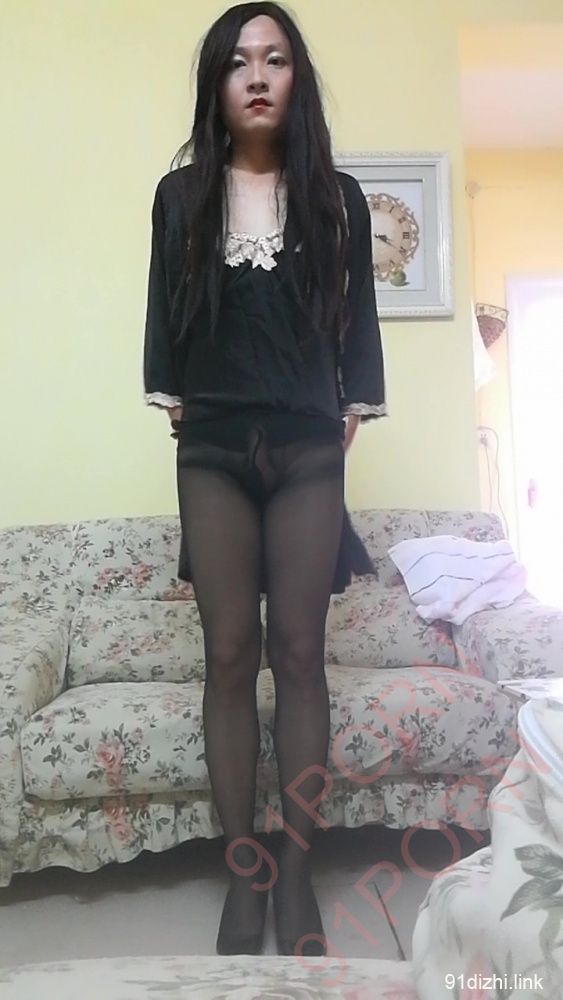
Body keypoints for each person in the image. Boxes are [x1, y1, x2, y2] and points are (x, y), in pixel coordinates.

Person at [142, 0, 387, 958]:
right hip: (212, 448)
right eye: (238, 61)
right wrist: (173, 395)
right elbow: (164, 318)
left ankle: (295, 869)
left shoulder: (337, 199)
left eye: (275, 59)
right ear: (217, 82)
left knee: (299, 652)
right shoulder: (179, 197)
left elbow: (356, 324)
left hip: (306, 450)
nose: (255, 75)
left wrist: (352, 404)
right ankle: (243, 869)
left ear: (296, 79)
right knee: (231, 655)